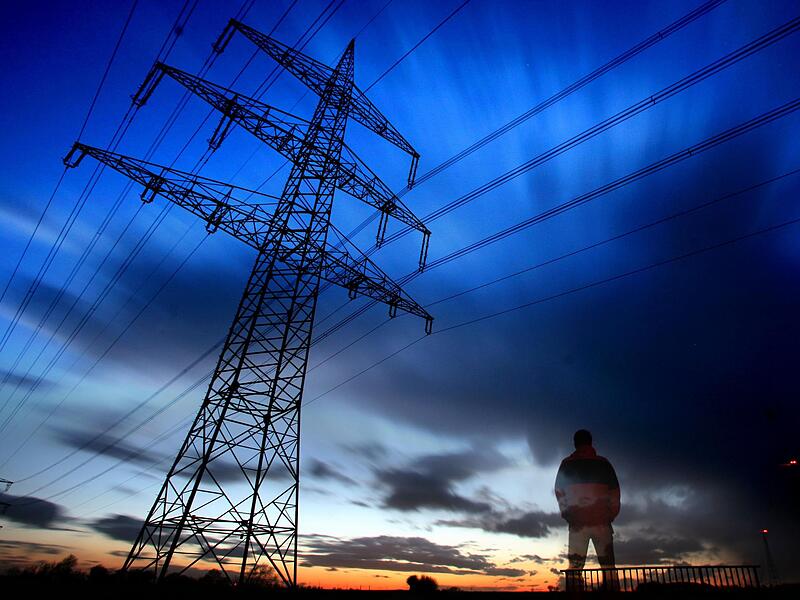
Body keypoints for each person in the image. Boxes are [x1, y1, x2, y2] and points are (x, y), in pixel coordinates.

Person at [554, 429, 620, 587]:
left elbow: (559, 492)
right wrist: (609, 516)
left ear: (575, 443)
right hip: (602, 524)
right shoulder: (604, 463)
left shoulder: (566, 464)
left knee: (575, 568)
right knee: (608, 567)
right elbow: (615, 493)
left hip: (577, 525)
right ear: (591, 442)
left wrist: (567, 514)